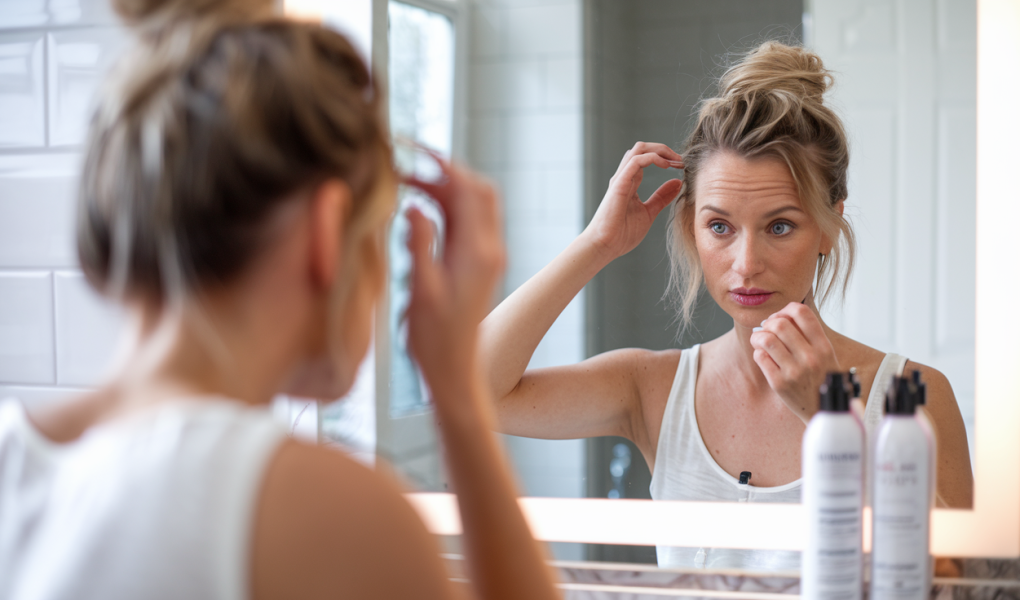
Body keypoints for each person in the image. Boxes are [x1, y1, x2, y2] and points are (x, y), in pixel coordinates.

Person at [0, 2, 560, 599]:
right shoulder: (327, 513)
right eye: (379, 237)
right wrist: (460, 399)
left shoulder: (13, 458)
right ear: (326, 230)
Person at [479, 41, 974, 570]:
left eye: (780, 226)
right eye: (719, 227)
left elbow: (954, 582)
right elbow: (474, 392)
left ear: (830, 227)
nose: (746, 263)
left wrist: (833, 420)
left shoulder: (910, 397)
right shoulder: (653, 389)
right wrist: (596, 244)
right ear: (691, 227)